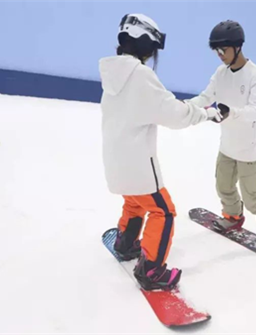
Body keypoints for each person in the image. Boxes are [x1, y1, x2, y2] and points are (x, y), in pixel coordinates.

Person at [98, 14, 221, 290]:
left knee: (134, 203)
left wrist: (194, 108)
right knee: (163, 211)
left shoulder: (113, 76)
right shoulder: (141, 75)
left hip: (116, 162)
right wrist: (207, 114)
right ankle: (151, 270)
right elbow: (175, 115)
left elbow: (156, 106)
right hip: (138, 164)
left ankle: (126, 243)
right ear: (145, 43)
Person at [188, 20, 256, 256]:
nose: (220, 55)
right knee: (223, 186)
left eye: (224, 50)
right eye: (216, 51)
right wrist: (184, 107)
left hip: (249, 147)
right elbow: (205, 96)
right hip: (228, 144)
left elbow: (255, 111)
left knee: (252, 196)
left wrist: (231, 112)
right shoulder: (220, 73)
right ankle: (232, 216)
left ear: (238, 47)